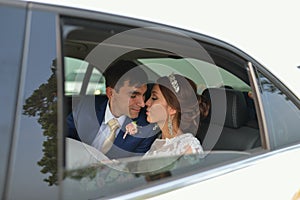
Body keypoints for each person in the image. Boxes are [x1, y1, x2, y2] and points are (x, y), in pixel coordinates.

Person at [67, 59, 158, 159]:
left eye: (144, 95)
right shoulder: (87, 106)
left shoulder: (146, 128)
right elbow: (62, 139)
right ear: (111, 93)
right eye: (133, 95)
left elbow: (133, 169)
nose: (142, 104)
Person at [143, 73, 210, 157]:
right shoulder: (158, 141)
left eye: (154, 98)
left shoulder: (188, 147)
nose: (146, 103)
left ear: (172, 109)